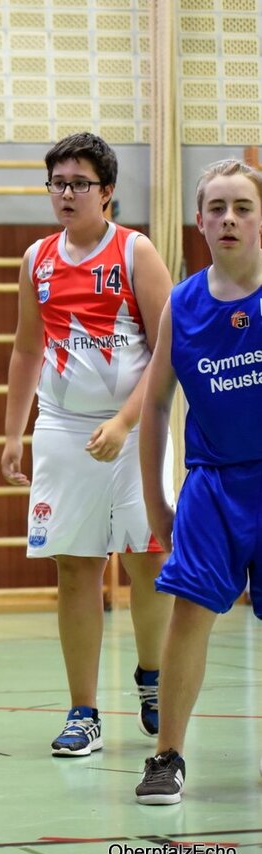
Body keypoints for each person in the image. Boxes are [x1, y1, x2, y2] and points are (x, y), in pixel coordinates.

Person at [1, 132, 173, 757]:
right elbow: (27, 348)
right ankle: (83, 712)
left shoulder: (135, 251)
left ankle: (152, 677)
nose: (67, 194)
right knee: (75, 567)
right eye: (58, 183)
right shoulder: (37, 259)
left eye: (79, 184)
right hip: (63, 429)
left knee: (148, 559)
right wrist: (14, 432)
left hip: (137, 429)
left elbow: (168, 350)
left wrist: (125, 422)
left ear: (107, 192)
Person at [134, 159, 262, 804]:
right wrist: (157, 500)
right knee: (189, 611)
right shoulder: (182, 304)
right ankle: (167, 757)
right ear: (200, 220)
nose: (229, 218)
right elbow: (155, 405)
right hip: (212, 483)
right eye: (217, 207)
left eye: (242, 206)